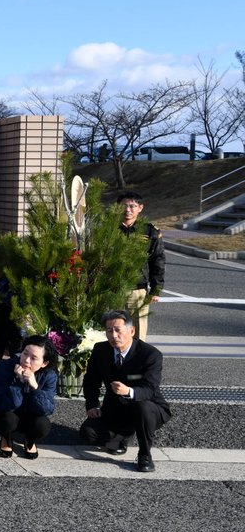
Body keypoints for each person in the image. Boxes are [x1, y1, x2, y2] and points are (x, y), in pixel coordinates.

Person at [79, 310, 170, 473]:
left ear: (132, 331)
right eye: (109, 330)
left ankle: (145, 454)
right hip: (115, 407)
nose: (113, 335)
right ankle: (123, 436)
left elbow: (150, 388)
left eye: (118, 330)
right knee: (89, 433)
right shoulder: (101, 350)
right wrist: (92, 405)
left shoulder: (150, 354)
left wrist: (129, 391)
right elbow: (91, 380)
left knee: (141, 408)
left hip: (149, 406)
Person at [0, 334, 58, 460]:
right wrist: (18, 381)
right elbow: (2, 403)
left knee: (42, 425)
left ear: (44, 363)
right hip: (9, 412)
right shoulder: (6, 366)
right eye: (25, 353)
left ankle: (30, 439)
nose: (26, 360)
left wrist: (35, 387)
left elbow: (47, 409)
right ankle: (6, 437)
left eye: (33, 358)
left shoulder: (49, 376)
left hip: (32, 414)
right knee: (7, 419)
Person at [118, 191, 164, 339]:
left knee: (138, 332)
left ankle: (137, 361)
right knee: (113, 331)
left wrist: (156, 289)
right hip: (111, 289)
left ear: (140, 208)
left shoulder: (149, 231)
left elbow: (157, 260)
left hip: (137, 289)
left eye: (132, 206)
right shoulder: (107, 228)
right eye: (124, 206)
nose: (128, 210)